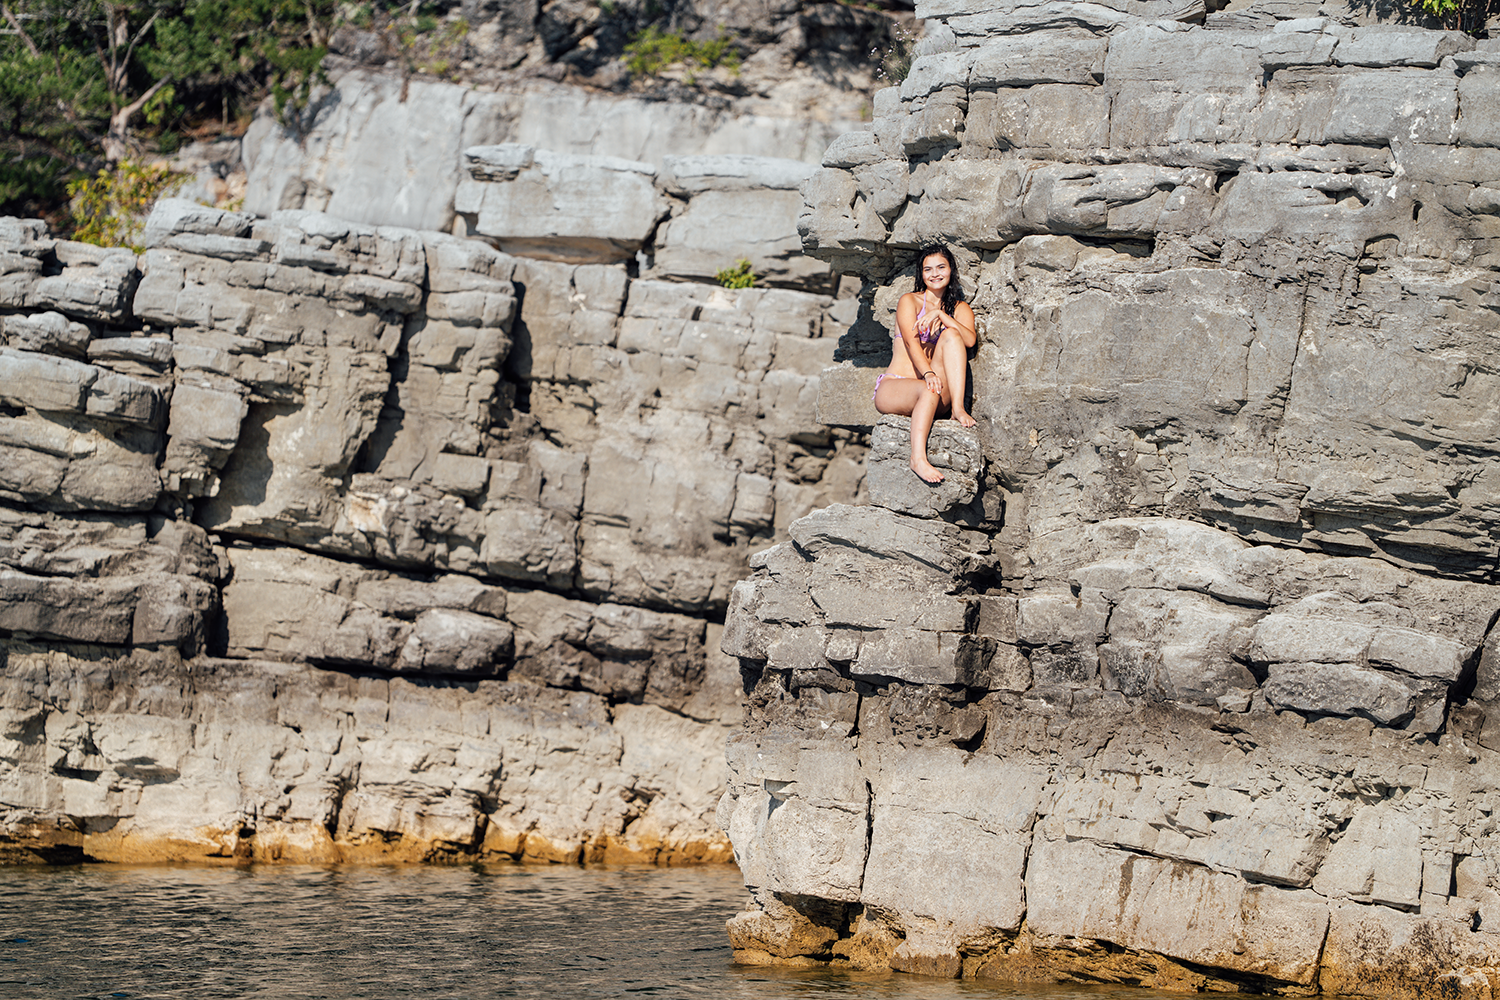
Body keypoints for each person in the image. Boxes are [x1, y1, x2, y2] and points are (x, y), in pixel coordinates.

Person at [872, 243, 977, 483]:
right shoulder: (909, 301)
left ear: (951, 270)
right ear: (921, 274)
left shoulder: (959, 308)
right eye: (928, 269)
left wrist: (942, 316)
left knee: (953, 335)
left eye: (941, 267)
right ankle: (917, 458)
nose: (935, 274)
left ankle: (958, 409)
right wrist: (928, 373)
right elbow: (911, 343)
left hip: (937, 393)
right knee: (927, 389)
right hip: (897, 386)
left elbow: (970, 340)